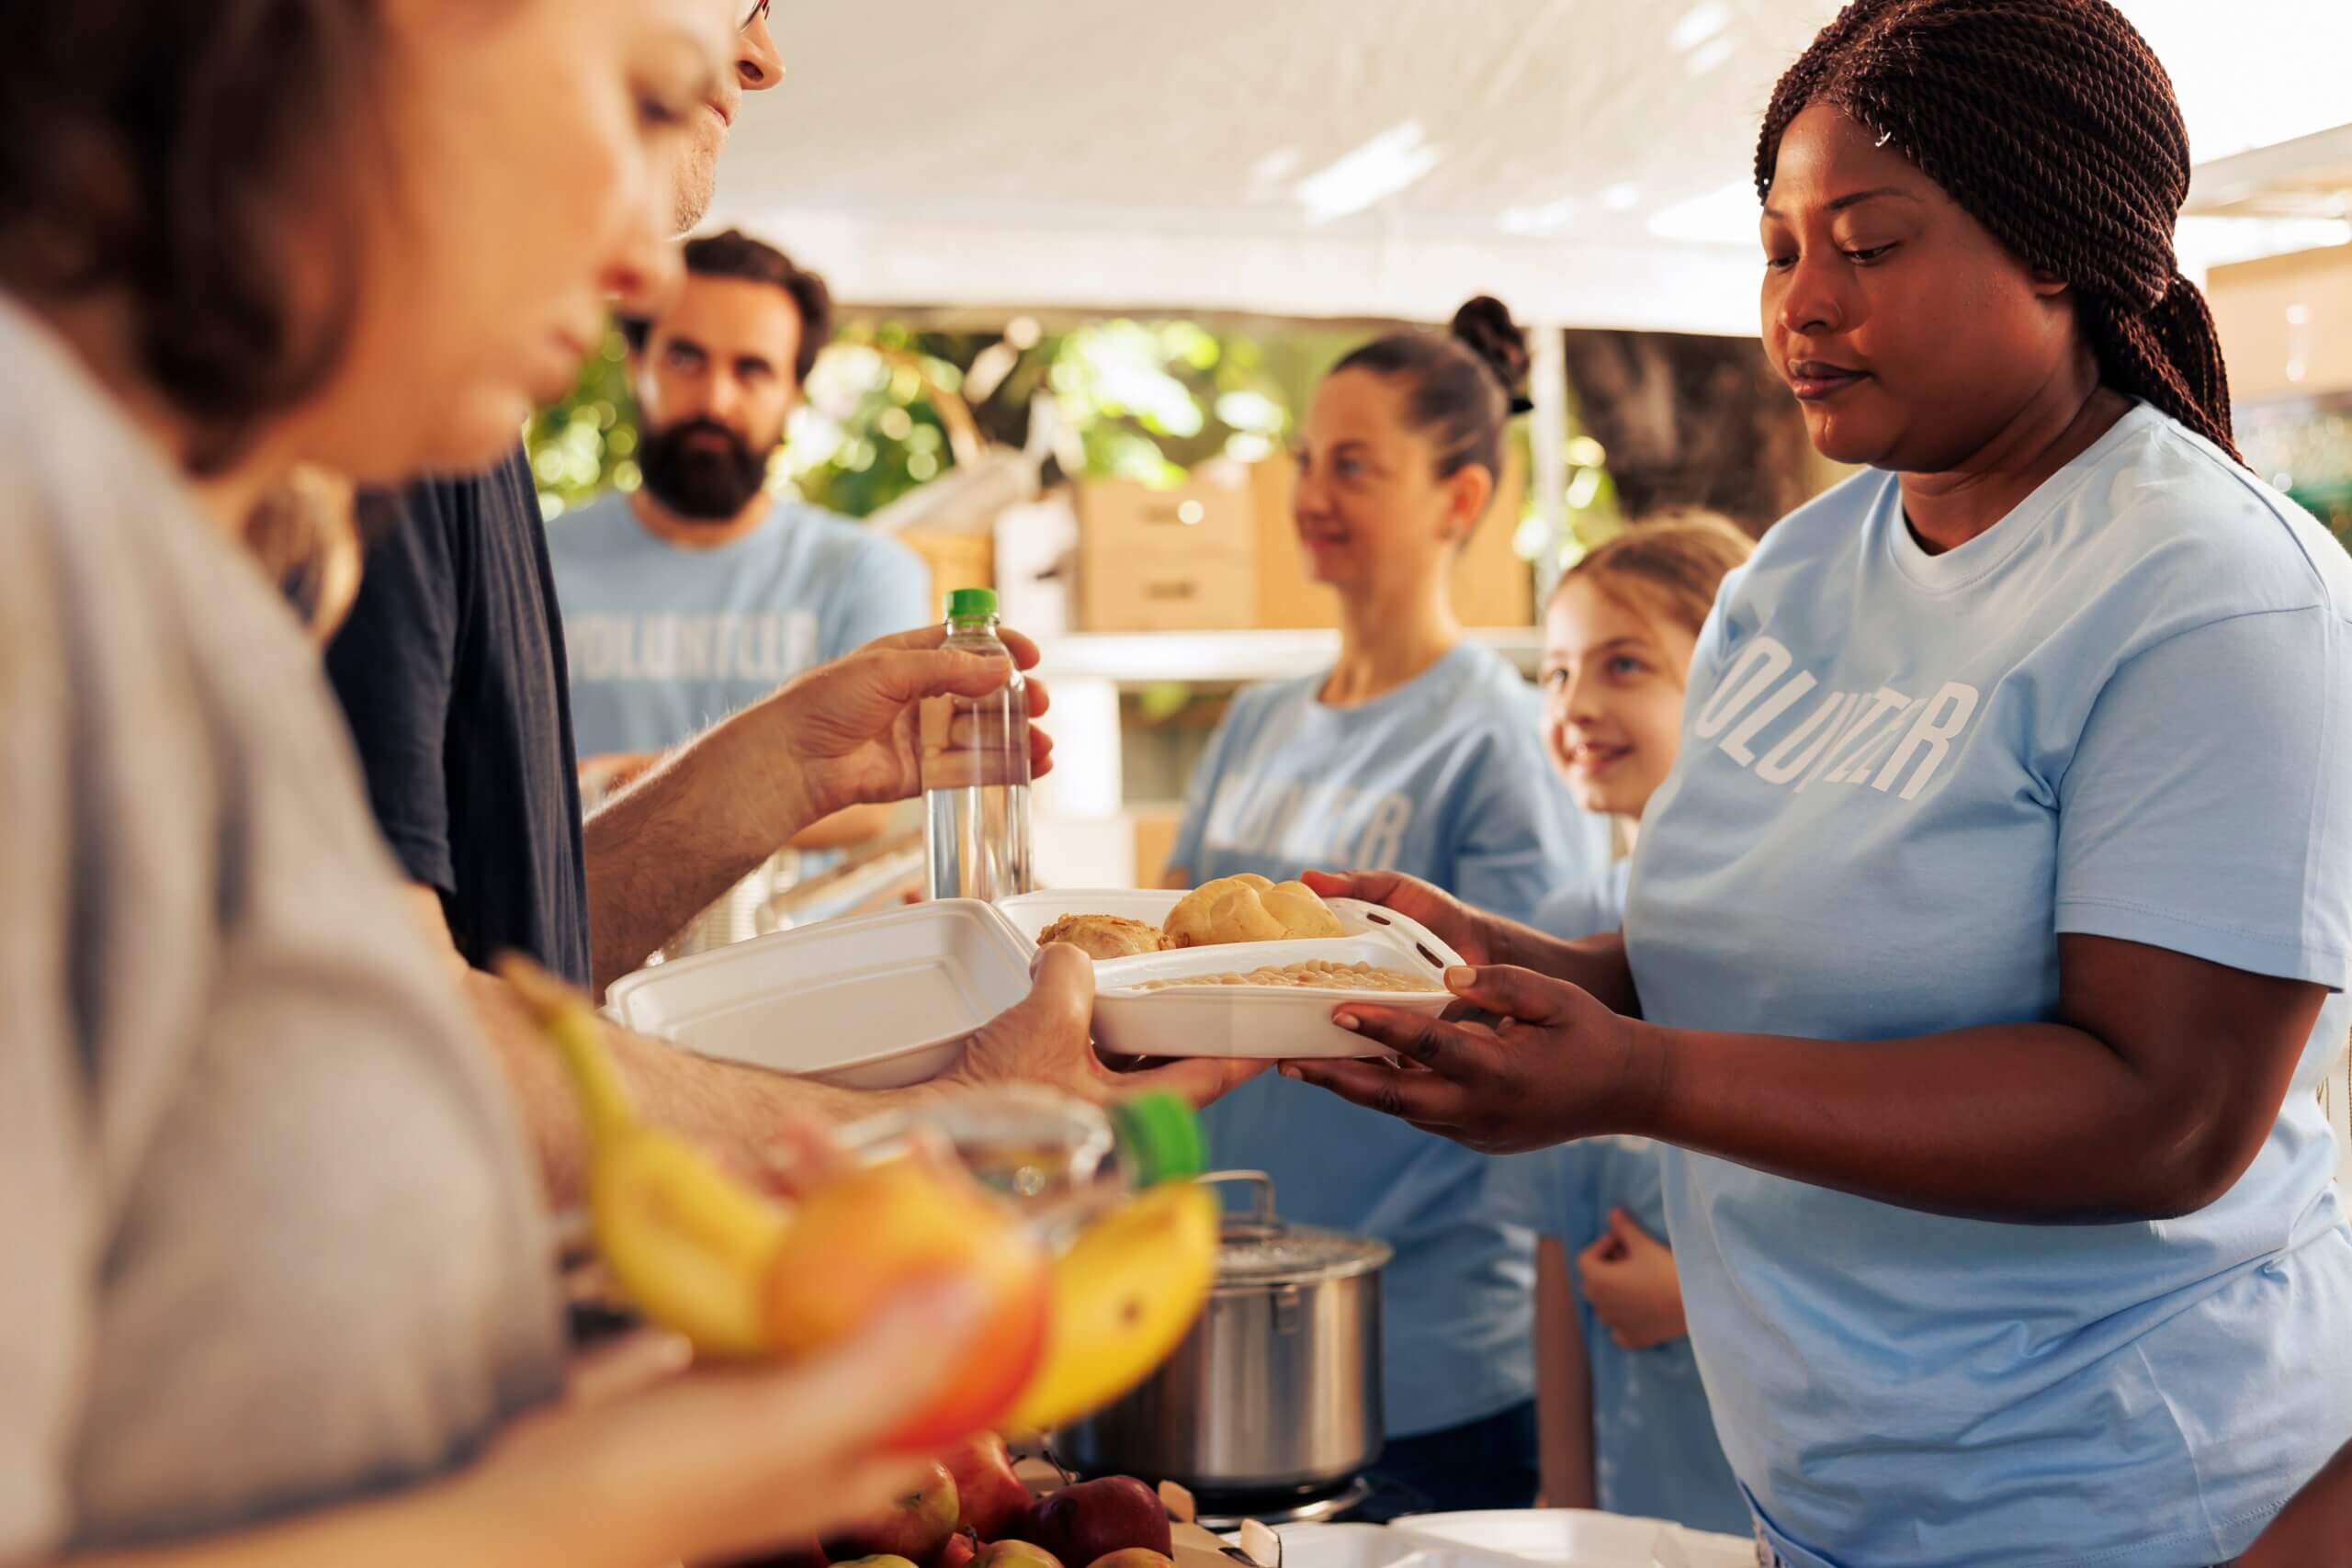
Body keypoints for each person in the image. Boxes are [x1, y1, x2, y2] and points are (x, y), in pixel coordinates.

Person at [1287, 3, 2352, 1563]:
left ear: (2054, 247)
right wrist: (1512, 975)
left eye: (1869, 242)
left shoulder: (2213, 595)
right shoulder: (1794, 578)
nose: (1805, 303)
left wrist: (1635, 1082)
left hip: (2131, 1495)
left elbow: (2164, 1112)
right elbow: (1764, 964)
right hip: (1833, 1491)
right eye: (1782, 246)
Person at [0, 0, 1015, 1562]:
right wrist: (644, 1487)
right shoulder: (47, 540)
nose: (640, 267)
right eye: (634, 96)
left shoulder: (167, 563)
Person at [323, 6, 1243, 1211]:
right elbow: (387, 1040)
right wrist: (951, 1127)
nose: (765, 57)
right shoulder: (354, 394)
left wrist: (781, 766)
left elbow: (502, 949)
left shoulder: (455, 425)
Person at [1167, 300, 1612, 1513]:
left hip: (1421, 1343)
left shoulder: (1496, 741)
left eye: (1354, 465)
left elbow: (1516, 1035)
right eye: (1309, 458)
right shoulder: (1259, 718)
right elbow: (1168, 955)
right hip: (1228, 1299)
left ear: (1460, 501)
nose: (1314, 488)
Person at [552, 228, 931, 862]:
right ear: (637, 363)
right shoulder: (532, 568)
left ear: (793, 394)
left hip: (798, 954)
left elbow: (872, 799)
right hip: (577, 956)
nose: (715, 399)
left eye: (751, 369)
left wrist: (629, 783)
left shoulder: (866, 573)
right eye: (685, 358)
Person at [1522, 513, 1752, 1537]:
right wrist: (1565, 1503)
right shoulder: (1570, 935)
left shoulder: (1792, 938)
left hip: (1775, 1489)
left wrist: (1700, 1307)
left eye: (1623, 666)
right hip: (1633, 1496)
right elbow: (1553, 1248)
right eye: (1555, 673)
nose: (1576, 706)